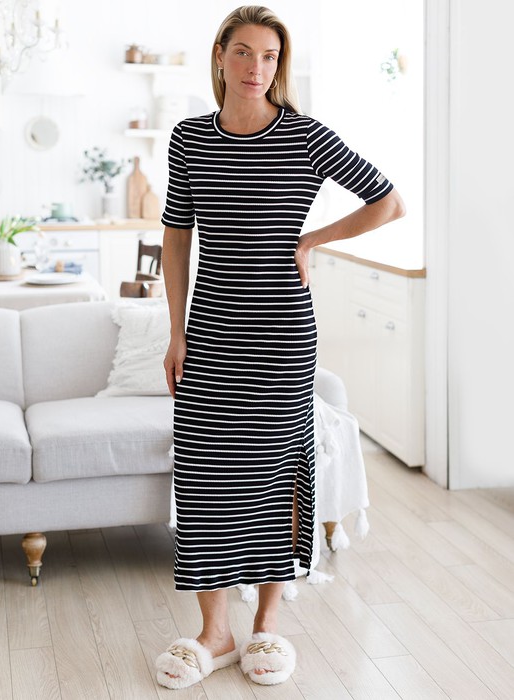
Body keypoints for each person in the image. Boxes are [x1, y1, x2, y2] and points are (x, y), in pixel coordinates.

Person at [155, 4, 405, 690]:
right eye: (243, 52)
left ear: (279, 65)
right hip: (210, 333)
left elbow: (388, 201)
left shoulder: (305, 136)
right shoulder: (188, 138)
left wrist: (311, 239)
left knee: (275, 472)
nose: (255, 68)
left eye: (269, 56)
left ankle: (267, 623)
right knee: (204, 474)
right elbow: (176, 237)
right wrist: (176, 330)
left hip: (282, 336)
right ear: (220, 56)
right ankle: (214, 632)